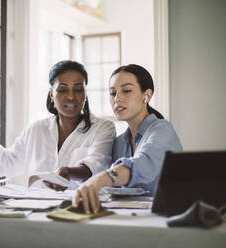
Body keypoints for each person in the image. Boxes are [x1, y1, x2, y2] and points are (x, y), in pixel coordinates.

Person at [0, 60, 116, 189]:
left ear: (85, 93)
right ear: (52, 94)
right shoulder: (36, 129)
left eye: (78, 89)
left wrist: (67, 172)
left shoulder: (102, 128)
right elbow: (5, 165)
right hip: (35, 212)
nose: (71, 97)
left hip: (78, 209)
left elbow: (97, 166)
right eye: (63, 90)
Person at [73, 64, 182, 213]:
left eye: (127, 91)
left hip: (167, 218)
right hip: (133, 217)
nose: (117, 98)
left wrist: (99, 180)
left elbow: (141, 165)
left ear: (147, 95)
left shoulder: (162, 130)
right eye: (113, 93)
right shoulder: (119, 143)